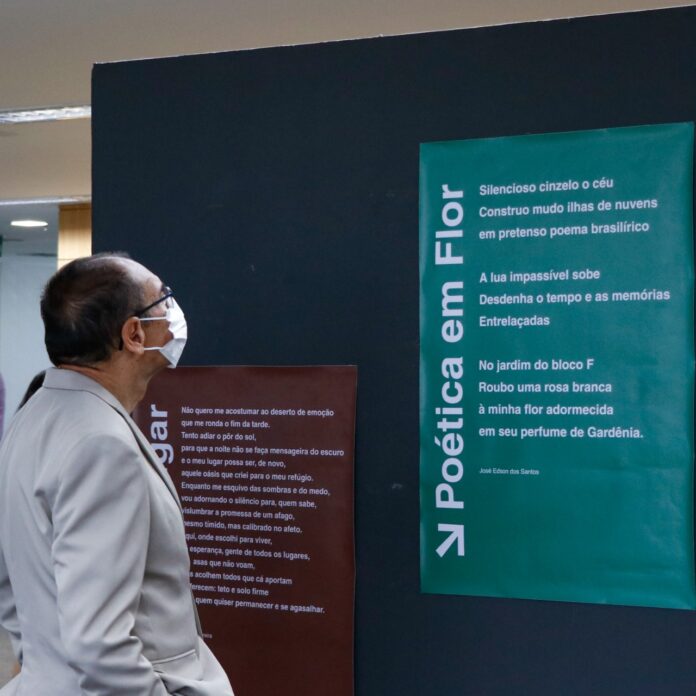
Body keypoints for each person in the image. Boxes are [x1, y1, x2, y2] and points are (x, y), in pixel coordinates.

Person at [0, 253, 233, 695]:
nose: (173, 309)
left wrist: (46, 671)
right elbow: (100, 646)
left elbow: (9, 587)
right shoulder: (102, 445)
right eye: (163, 298)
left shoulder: (31, 418)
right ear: (134, 334)